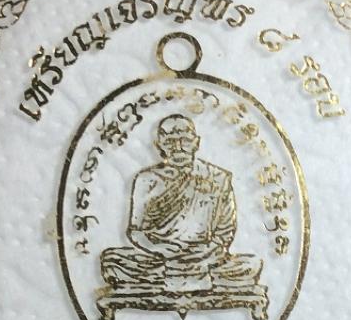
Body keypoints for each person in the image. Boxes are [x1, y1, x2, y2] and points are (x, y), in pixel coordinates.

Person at [100, 113, 263, 295]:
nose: (178, 148)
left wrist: (209, 250)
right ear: (159, 145)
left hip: (204, 257)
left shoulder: (217, 177)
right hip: (159, 257)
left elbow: (225, 232)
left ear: (196, 142)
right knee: (111, 261)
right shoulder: (147, 179)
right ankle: (182, 275)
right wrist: (156, 247)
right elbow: (136, 231)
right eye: (170, 141)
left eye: (184, 140)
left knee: (251, 265)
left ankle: (170, 278)